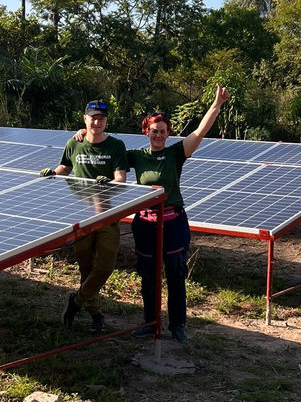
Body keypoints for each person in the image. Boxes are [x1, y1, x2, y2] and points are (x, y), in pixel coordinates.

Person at [128, 84, 229, 344]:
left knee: (175, 274)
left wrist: (216, 105)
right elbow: (107, 153)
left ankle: (177, 325)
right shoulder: (137, 156)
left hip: (174, 222)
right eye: (154, 131)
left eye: (163, 131)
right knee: (148, 276)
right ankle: (150, 322)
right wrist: (81, 134)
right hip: (145, 224)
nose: (158, 135)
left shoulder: (176, 153)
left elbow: (200, 131)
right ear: (146, 132)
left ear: (168, 133)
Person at [39, 100, 128, 332]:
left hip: (107, 214)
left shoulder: (116, 146)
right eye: (93, 117)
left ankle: (76, 301)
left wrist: (109, 183)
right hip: (80, 214)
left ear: (106, 121)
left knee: (105, 267)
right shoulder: (74, 144)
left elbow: (121, 179)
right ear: (85, 118)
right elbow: (65, 168)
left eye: (101, 118)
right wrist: (52, 173)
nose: (97, 122)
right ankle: (96, 315)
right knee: (85, 268)